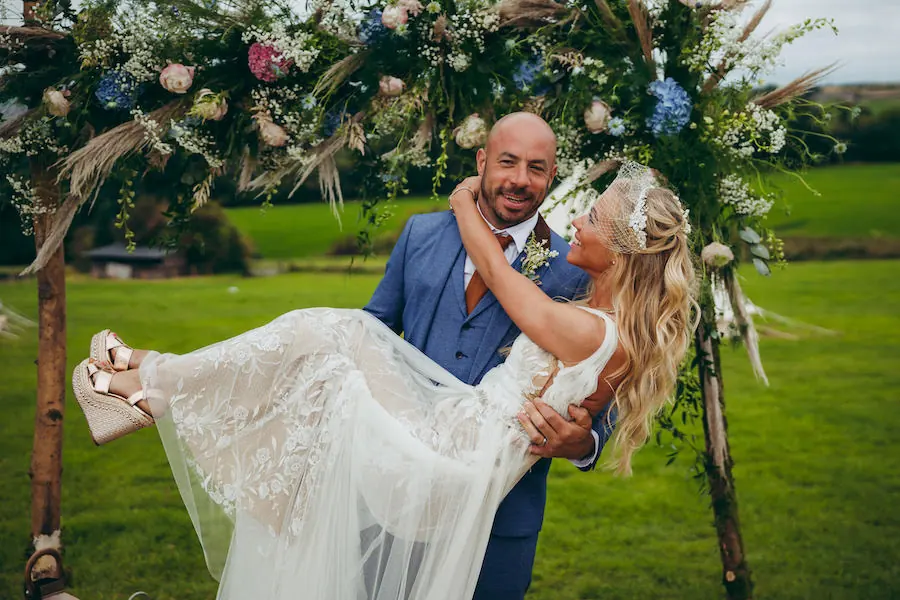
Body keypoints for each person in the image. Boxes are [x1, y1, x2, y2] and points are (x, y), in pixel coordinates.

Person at [71, 157, 696, 600]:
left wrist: (461, 200)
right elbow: (572, 398)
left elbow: (507, 287)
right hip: (453, 432)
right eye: (507, 163)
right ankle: (153, 384)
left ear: (618, 248)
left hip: (453, 464)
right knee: (335, 334)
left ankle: (150, 384)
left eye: (592, 217)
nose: (578, 223)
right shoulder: (615, 328)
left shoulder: (587, 323)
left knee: (331, 356)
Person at [365, 113, 614, 599]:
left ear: (552, 176)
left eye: (537, 168)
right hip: (394, 489)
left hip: (503, 516)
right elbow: (372, 330)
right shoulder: (421, 234)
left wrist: (583, 445)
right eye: (507, 162)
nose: (520, 180)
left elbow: (607, 385)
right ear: (481, 162)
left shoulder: (575, 270)